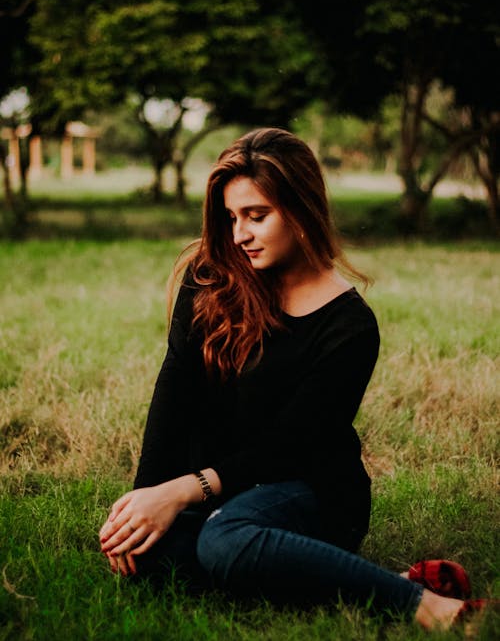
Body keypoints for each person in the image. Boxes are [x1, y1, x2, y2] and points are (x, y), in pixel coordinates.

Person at [99, 128, 488, 631]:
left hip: (310, 490)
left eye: (257, 216)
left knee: (224, 541)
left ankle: (430, 607)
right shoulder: (210, 275)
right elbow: (175, 389)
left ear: (302, 210)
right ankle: (362, 578)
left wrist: (185, 491)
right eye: (232, 217)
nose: (240, 234)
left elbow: (290, 445)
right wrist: (145, 501)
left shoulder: (348, 325)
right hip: (220, 494)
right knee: (151, 555)